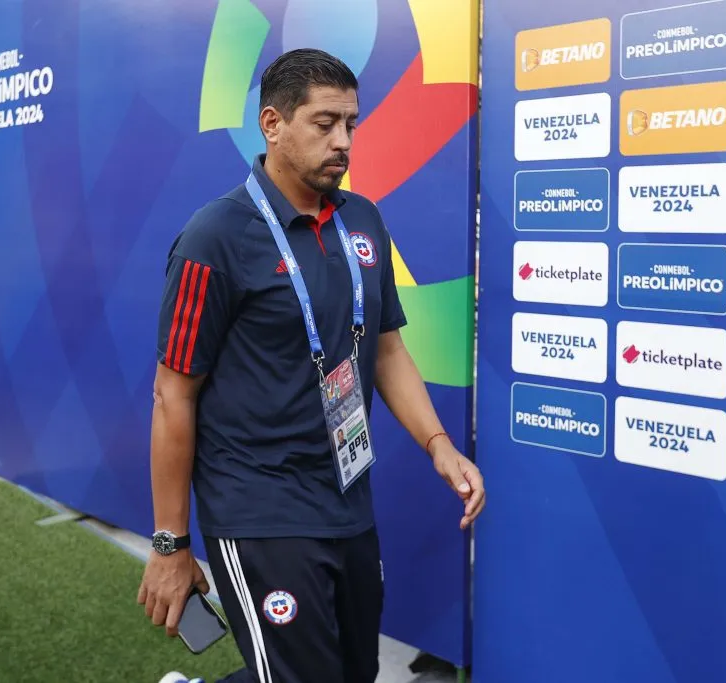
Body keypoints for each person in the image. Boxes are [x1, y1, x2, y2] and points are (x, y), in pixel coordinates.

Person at [137, 48, 485, 683]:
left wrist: (439, 444)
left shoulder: (363, 220)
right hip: (258, 510)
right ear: (272, 124)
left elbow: (385, 348)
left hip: (347, 500)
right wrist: (170, 544)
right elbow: (172, 397)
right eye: (325, 123)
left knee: (353, 674)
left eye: (351, 123)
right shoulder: (214, 238)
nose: (343, 141)